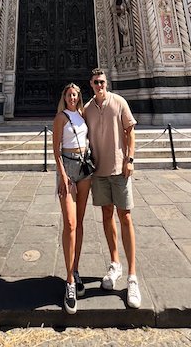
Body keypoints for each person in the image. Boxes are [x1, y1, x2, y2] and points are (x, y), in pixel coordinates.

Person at [84, 68, 141, 309]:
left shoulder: (119, 102)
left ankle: (132, 275)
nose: (100, 85)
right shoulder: (86, 109)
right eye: (96, 82)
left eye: (102, 82)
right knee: (106, 214)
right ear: (91, 84)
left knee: (125, 216)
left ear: (106, 83)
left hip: (119, 169)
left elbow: (130, 132)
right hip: (98, 170)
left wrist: (130, 159)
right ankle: (115, 264)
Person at [53, 83, 92, 314]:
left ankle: (74, 271)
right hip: (66, 168)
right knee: (70, 223)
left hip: (84, 168)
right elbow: (55, 149)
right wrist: (62, 175)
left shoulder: (83, 115)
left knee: (79, 222)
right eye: (68, 94)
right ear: (65, 97)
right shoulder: (61, 117)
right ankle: (69, 279)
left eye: (75, 94)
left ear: (78, 97)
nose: (72, 97)